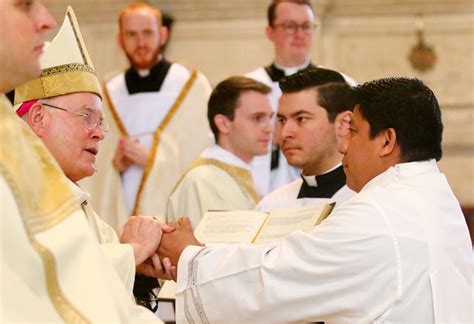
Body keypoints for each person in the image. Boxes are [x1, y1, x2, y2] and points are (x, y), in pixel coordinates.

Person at [158, 77, 472, 322]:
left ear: (387, 141)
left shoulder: (379, 214)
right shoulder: (434, 195)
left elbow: (278, 275)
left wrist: (190, 256)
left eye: (355, 132)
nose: (344, 145)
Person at [1, 4, 162, 322]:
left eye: (101, 122)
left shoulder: (74, 202)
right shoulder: (17, 187)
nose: (99, 135)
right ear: (37, 118)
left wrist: (136, 259)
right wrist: (133, 251)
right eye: (86, 116)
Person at [80, 1, 212, 231]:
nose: (141, 43)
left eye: (148, 33)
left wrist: (155, 160)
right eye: (131, 35)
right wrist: (114, 165)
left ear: (162, 35)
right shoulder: (107, 91)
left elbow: (203, 154)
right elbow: (94, 163)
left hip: (173, 214)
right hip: (120, 213)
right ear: (120, 39)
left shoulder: (191, 86)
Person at [246, 0, 356, 198]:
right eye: (290, 26)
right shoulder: (247, 87)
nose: (299, 34)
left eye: (306, 26)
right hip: (260, 194)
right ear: (270, 32)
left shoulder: (340, 84)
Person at [167, 76, 273, 228]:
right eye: (257, 118)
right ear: (223, 124)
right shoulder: (202, 182)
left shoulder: (229, 173)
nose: (270, 128)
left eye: (270, 117)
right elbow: (199, 250)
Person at [256, 68, 356, 212]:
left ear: (343, 124)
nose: (285, 133)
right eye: (282, 120)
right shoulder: (270, 206)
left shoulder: (365, 202)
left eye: (301, 119)